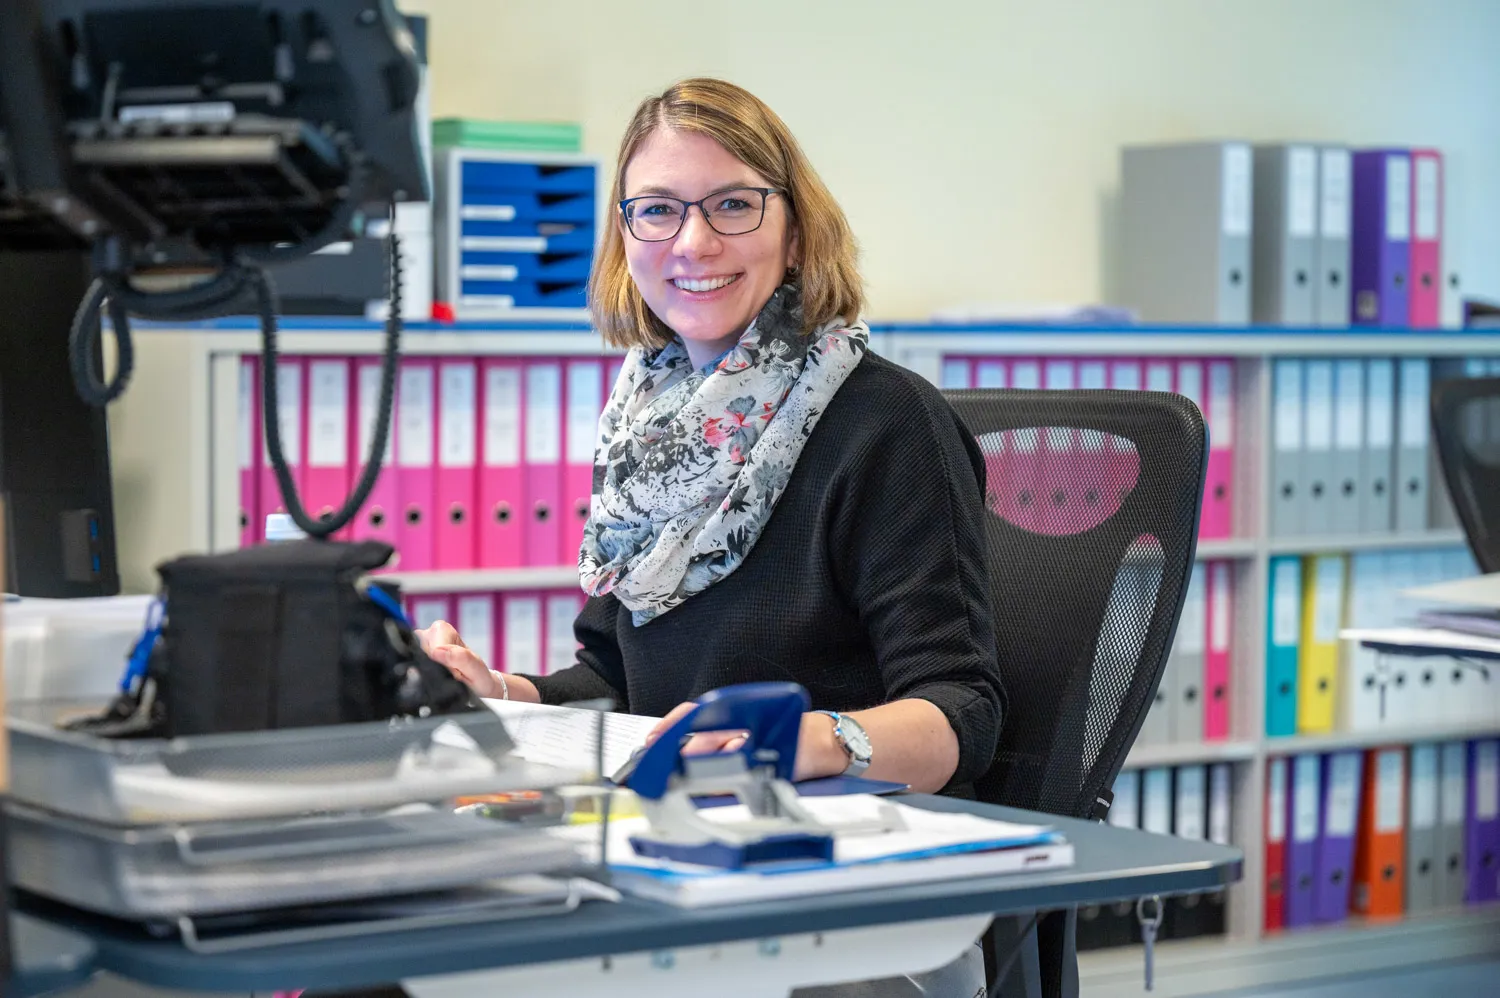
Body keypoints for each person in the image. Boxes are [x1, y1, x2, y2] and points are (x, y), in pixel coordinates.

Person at [418, 77, 1004, 800]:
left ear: (796, 234)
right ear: (625, 239)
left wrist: (808, 741)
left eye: (732, 204)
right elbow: (617, 682)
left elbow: (961, 712)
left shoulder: (887, 422)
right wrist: (499, 692)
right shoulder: (646, 435)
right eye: (658, 210)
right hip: (682, 815)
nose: (694, 243)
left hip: (837, 831)